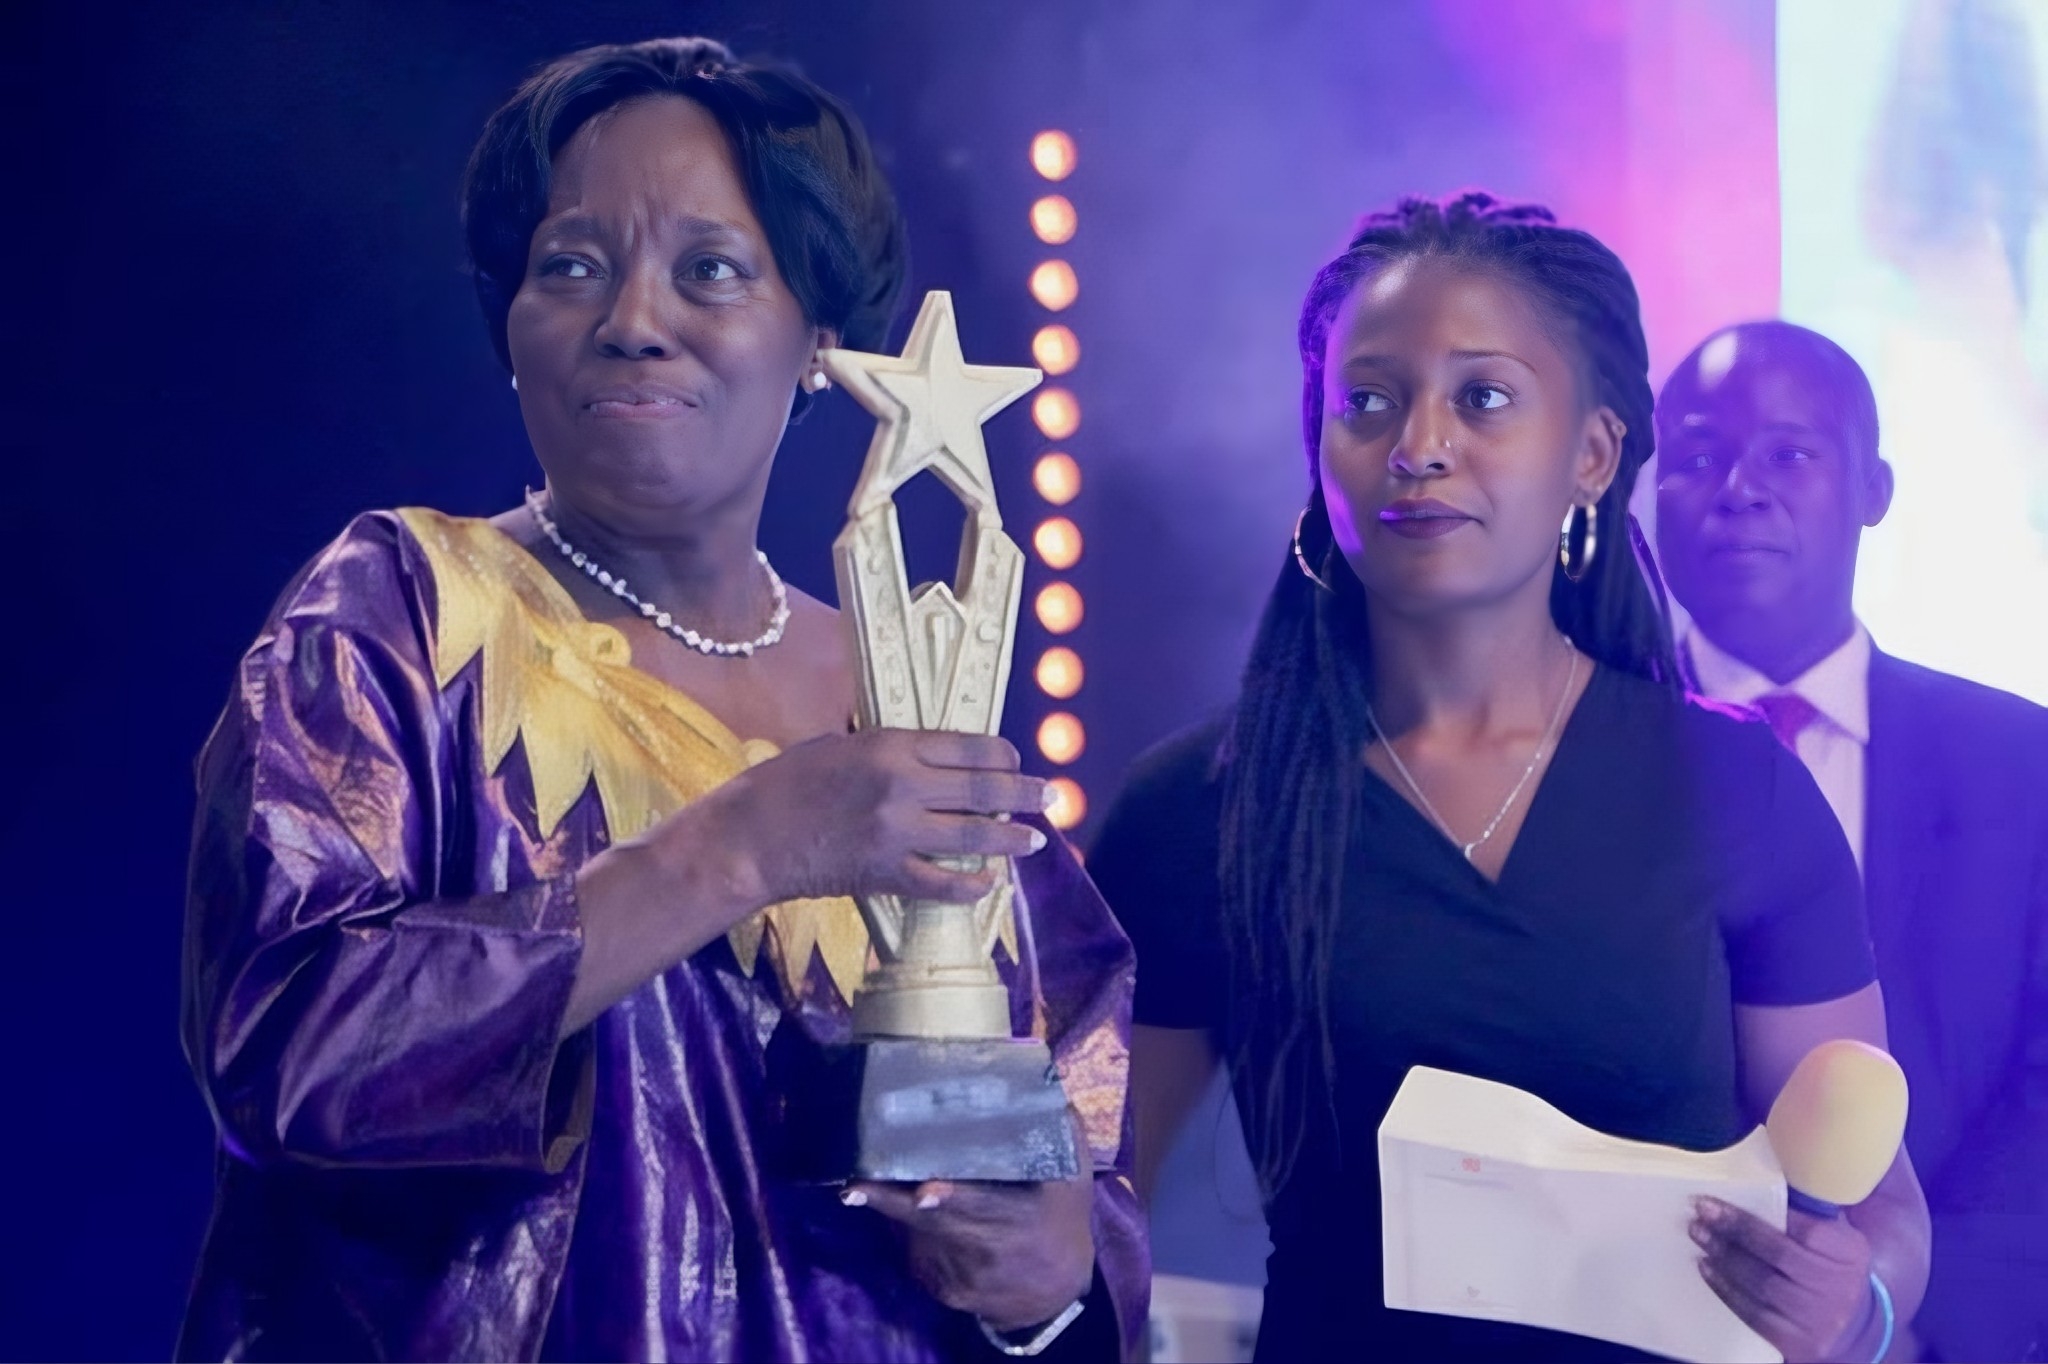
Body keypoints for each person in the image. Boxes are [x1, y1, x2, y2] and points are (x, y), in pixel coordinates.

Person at [178, 37, 1142, 1362]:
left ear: (820, 341)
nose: (634, 318)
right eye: (571, 265)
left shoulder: (907, 696)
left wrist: (1051, 1275)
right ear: (510, 326)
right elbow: (287, 1046)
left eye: (712, 270)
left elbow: (1078, 1130)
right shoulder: (402, 617)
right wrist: (737, 847)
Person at [1087, 194, 1930, 1361]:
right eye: (1366, 401)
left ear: (1591, 453)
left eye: (1481, 396)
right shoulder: (1197, 809)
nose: (1417, 444)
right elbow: (1087, 1211)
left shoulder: (1735, 788)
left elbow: (1882, 1213)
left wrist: (1856, 1305)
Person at [1655, 319, 2048, 1362]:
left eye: (1789, 452)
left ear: (1873, 488)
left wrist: (1894, 1319)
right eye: (1697, 455)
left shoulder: (2024, 763)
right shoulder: (1569, 757)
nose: (1740, 487)